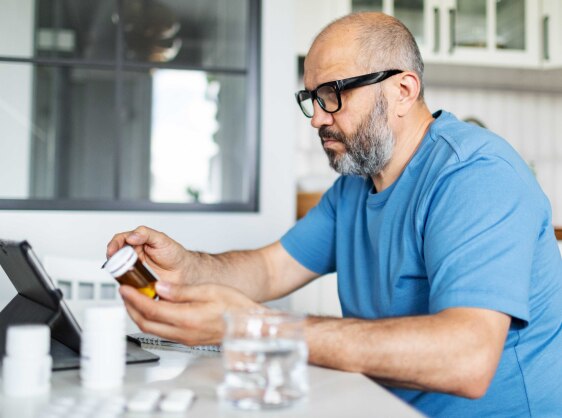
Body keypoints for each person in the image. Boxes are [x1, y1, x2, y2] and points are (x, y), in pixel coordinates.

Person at [107, 12, 562, 417]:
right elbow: (269, 268)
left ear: (403, 90)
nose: (317, 118)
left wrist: (253, 327)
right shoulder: (354, 188)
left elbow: (466, 359)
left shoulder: (475, 175)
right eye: (311, 97)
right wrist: (187, 266)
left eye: (333, 93)